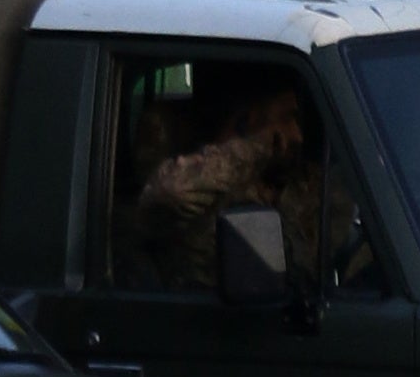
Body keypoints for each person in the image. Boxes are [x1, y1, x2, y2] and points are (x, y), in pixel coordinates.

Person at [132, 77, 326, 285]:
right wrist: (257, 146)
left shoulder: (295, 183)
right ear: (248, 119)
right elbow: (173, 190)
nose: (298, 135)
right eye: (289, 118)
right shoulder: (199, 185)